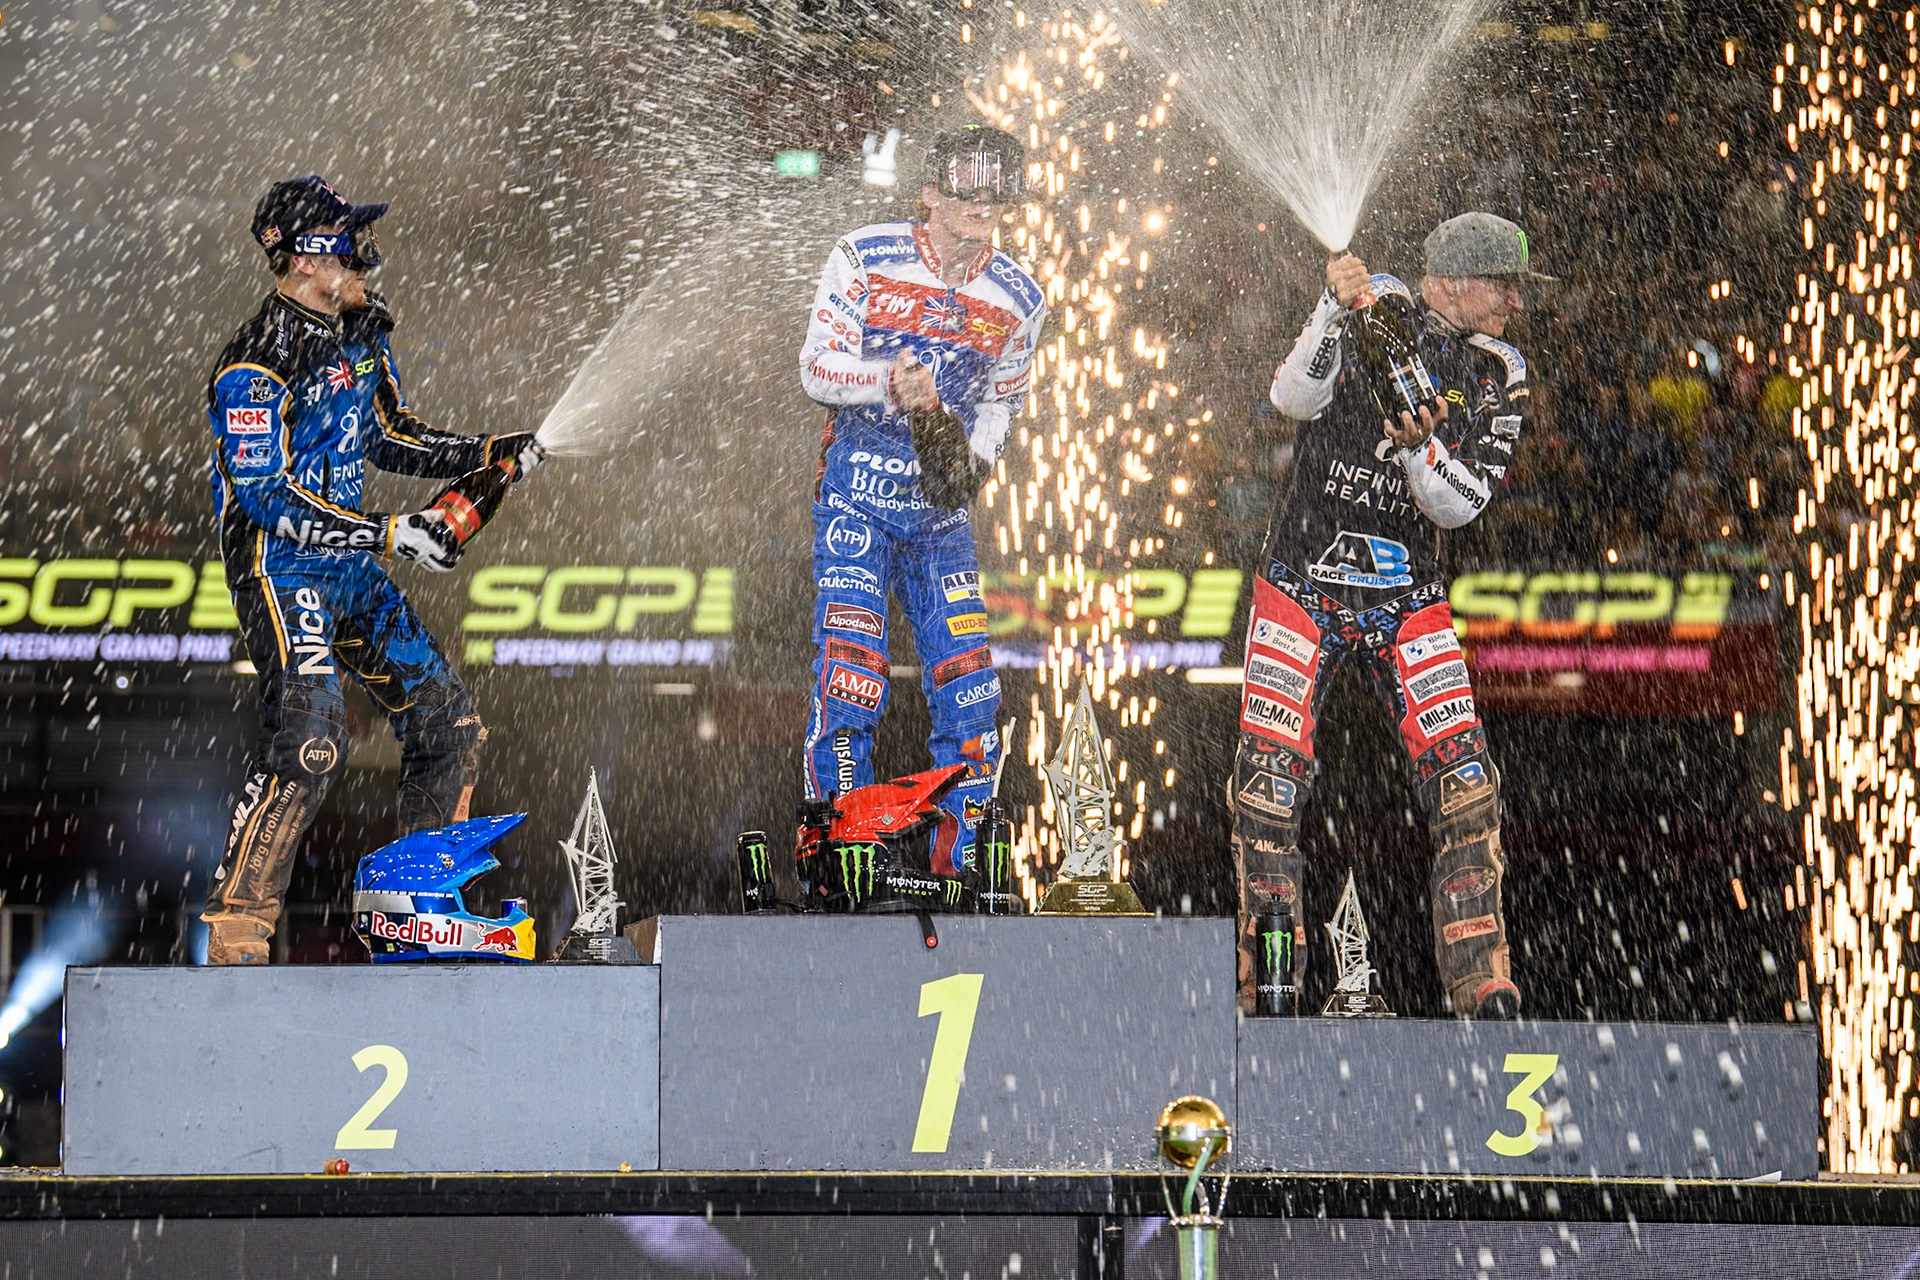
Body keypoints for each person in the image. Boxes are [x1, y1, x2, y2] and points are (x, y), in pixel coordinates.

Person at [199, 175, 543, 964]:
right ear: (307, 256)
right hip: (279, 567)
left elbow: (391, 434)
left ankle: (414, 902)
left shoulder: (364, 332)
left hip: (350, 565)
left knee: (448, 723)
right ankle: (237, 932)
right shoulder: (250, 366)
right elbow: (261, 495)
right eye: (350, 236)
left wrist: (488, 453)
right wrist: (393, 533)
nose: (367, 251)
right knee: (313, 737)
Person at [1231, 211, 1549, 1017]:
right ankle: (1269, 973)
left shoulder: (1500, 369)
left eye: (1516, 288)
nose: (1515, 301)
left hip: (1409, 597)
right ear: (1449, 280)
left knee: (1466, 784)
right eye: (1501, 285)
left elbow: (1459, 506)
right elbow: (1291, 397)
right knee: (1268, 786)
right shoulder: (1380, 303)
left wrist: (1417, 448)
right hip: (1302, 580)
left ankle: (1482, 982)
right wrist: (1332, 311)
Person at [798, 127, 1047, 876]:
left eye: (994, 188)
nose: (981, 201)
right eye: (964, 186)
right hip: (856, 503)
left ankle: (959, 865)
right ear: (929, 195)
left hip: (941, 523)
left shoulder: (1022, 298)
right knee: (853, 672)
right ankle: (838, 851)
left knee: (972, 691)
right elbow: (815, 367)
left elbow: (1003, 405)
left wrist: (973, 463)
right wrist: (888, 382)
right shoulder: (865, 254)